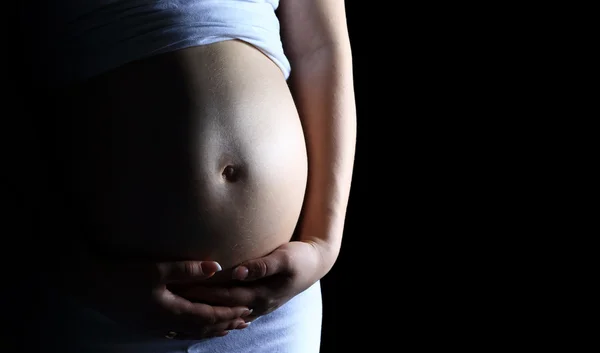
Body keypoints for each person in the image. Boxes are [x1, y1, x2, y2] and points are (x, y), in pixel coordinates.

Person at [28, 0, 356, 352]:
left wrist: (323, 246)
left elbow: (322, 49)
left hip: (274, 304)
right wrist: (79, 274)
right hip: (103, 300)